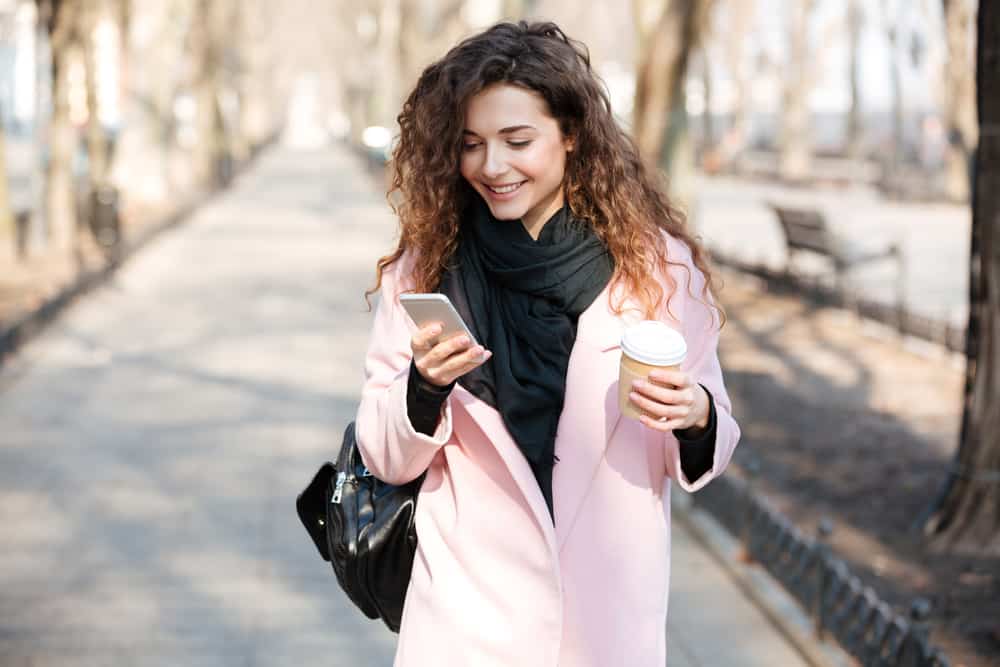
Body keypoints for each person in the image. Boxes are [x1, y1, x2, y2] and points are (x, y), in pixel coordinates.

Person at [355, 20, 740, 667]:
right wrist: (422, 390)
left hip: (603, 622)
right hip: (466, 622)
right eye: (471, 144)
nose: (492, 166)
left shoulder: (657, 270)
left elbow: (711, 441)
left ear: (570, 134)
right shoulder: (425, 270)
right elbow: (382, 453)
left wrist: (696, 415)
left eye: (517, 141)